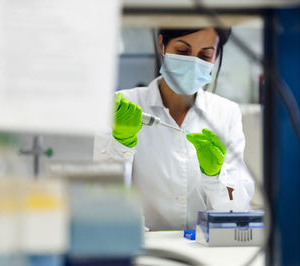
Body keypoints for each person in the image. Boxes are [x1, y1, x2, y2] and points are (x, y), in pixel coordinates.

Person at [94, 28, 254, 230]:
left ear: (216, 57)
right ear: (162, 45)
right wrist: (120, 145)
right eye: (182, 51)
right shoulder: (121, 106)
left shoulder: (226, 113)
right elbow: (100, 199)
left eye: (205, 55)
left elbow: (237, 212)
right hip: (144, 248)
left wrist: (215, 176)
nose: (194, 63)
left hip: (204, 250)